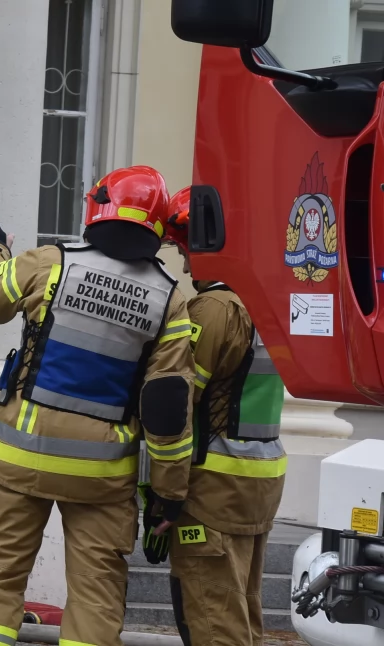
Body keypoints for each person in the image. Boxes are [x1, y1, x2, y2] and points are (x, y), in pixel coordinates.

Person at [0, 165, 195, 646]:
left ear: (97, 206)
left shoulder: (50, 262)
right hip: (102, 477)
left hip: (19, 459)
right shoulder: (170, 298)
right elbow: (167, 407)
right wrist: (167, 493)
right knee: (96, 596)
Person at [160, 187, 287, 646]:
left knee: (213, 619)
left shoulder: (215, 308)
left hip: (212, 489)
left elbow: (175, 402)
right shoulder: (270, 301)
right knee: (243, 615)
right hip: (257, 482)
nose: (184, 261)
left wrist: (164, 491)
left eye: (184, 247)